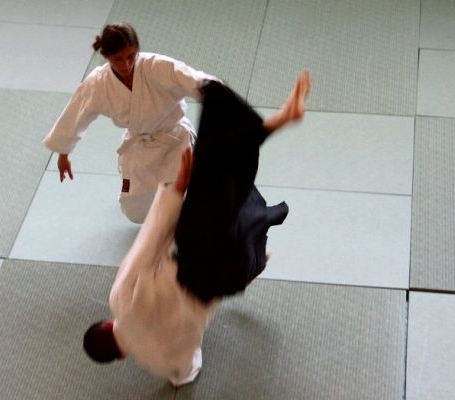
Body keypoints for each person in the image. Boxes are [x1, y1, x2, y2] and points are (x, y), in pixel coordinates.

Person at [83, 70, 311, 386]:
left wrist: (232, 284)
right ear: (107, 324)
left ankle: (254, 260)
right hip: (193, 252)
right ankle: (269, 117)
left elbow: (185, 370)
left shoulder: (160, 359)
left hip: (222, 276)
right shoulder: (120, 300)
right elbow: (148, 245)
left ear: (121, 357)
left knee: (242, 227)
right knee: (216, 170)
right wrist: (175, 191)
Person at [42, 22, 218, 223]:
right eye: (117, 59)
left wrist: (226, 108)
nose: (126, 65)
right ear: (106, 56)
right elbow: (76, 114)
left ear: (137, 50)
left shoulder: (158, 67)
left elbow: (196, 80)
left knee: (173, 196)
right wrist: (63, 153)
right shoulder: (98, 84)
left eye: (131, 56)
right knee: (136, 210)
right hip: (139, 143)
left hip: (175, 138)